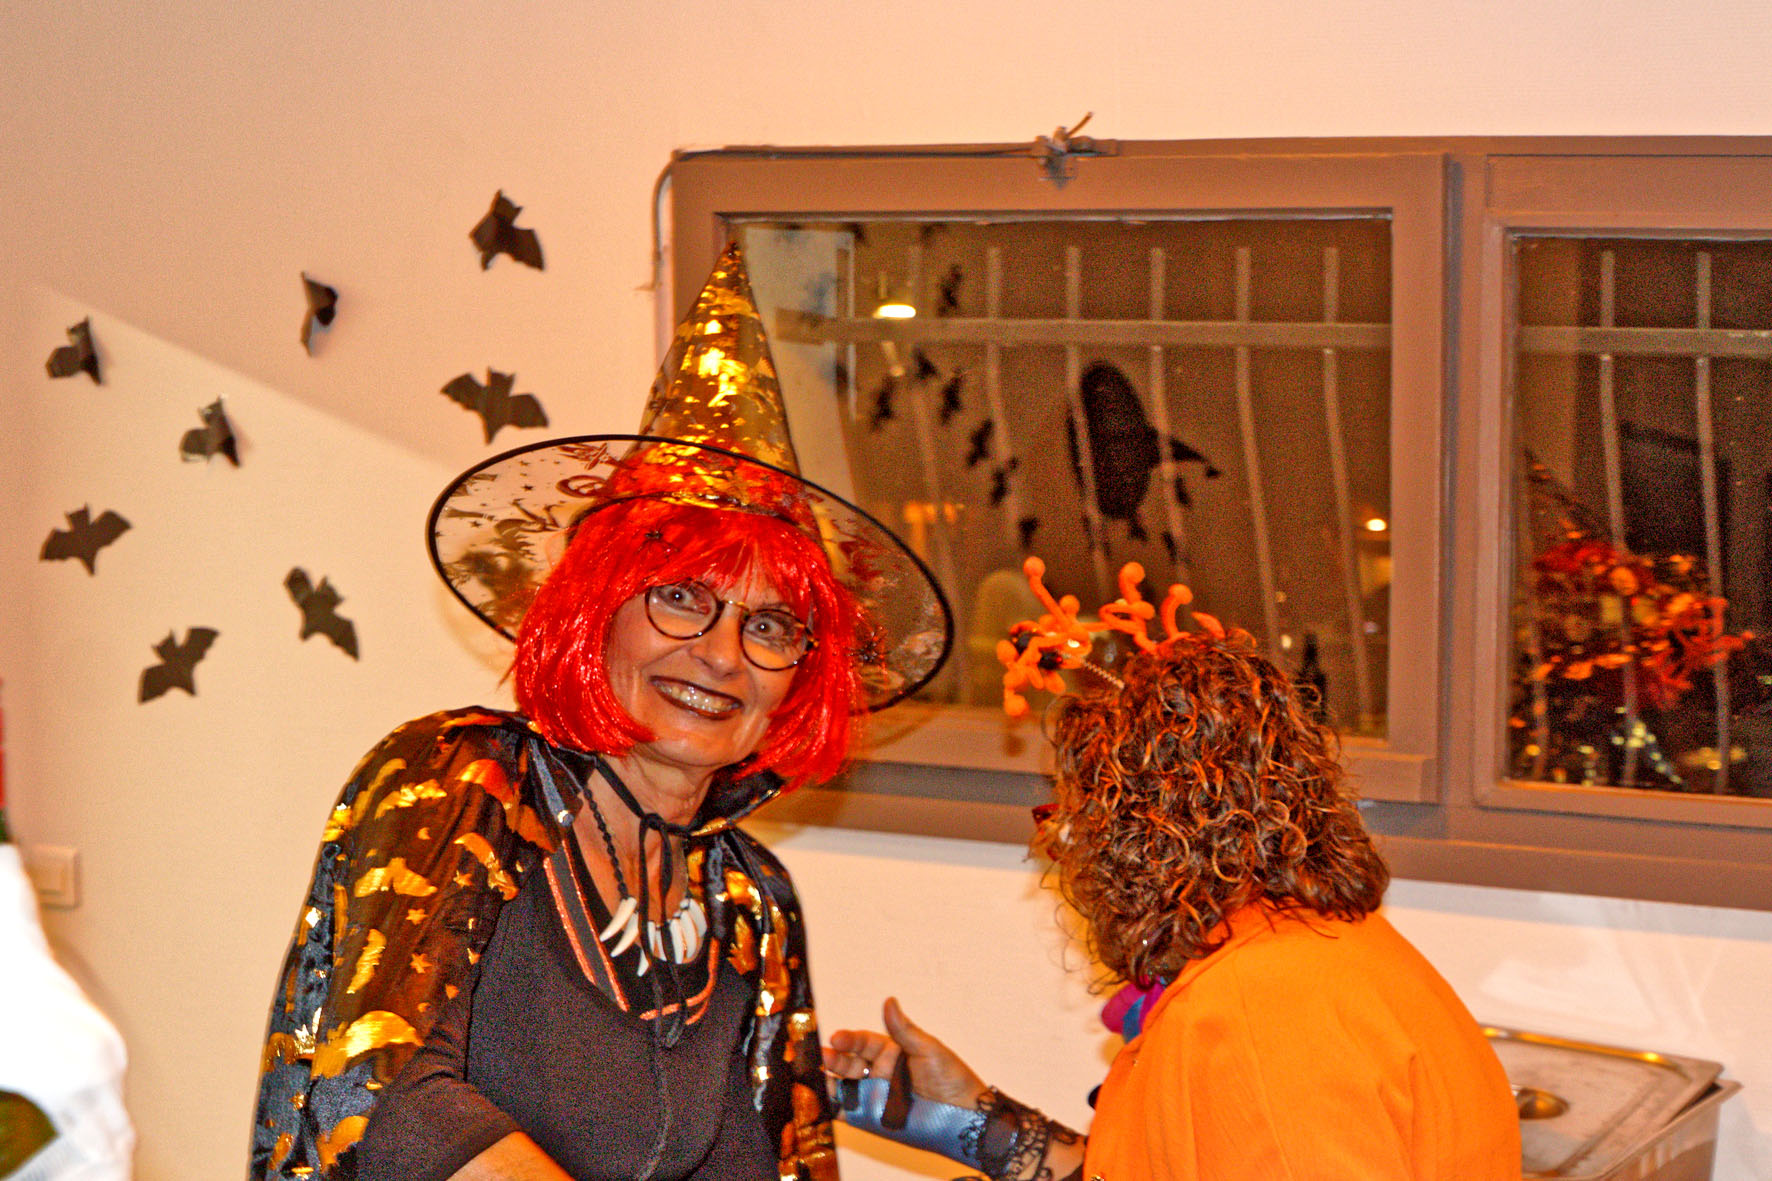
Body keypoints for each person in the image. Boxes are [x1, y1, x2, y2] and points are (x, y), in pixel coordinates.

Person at [248, 244, 951, 1181]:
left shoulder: (751, 900)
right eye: (680, 597)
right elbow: (381, 1093)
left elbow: (775, 1164)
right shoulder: (461, 780)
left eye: (769, 625)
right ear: (594, 609)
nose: (722, 654)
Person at [825, 560, 1520, 1180]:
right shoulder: (1310, 953)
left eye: (1069, 819)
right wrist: (970, 1119)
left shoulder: (1255, 1016)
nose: (1061, 847)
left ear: (1134, 839)